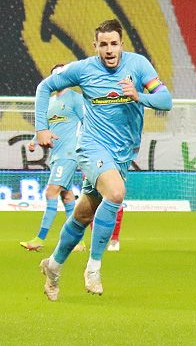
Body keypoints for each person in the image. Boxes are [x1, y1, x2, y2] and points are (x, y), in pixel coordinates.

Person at [34, 19, 172, 300]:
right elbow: (44, 87)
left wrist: (139, 96)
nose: (109, 50)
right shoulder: (84, 69)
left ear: (121, 44)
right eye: (103, 44)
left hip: (122, 154)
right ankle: (93, 267)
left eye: (114, 44)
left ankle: (53, 266)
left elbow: (166, 100)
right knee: (117, 193)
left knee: (83, 214)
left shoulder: (138, 65)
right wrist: (41, 128)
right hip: (92, 147)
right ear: (95, 46)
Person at [20, 65, 85, 252]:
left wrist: (84, 148)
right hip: (56, 155)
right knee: (67, 196)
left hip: (69, 154)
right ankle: (78, 242)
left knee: (51, 192)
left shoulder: (75, 98)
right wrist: (34, 141)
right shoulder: (48, 102)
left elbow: (87, 122)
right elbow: (45, 127)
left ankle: (39, 239)